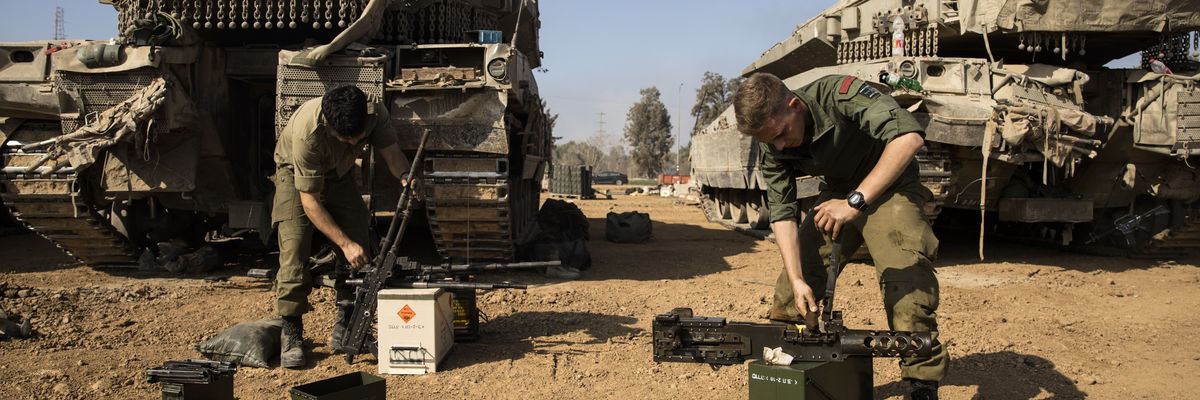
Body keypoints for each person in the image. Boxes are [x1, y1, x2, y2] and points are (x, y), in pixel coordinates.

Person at [733, 72, 948, 399]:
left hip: (891, 188)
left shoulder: (839, 94)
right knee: (792, 295)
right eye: (768, 141)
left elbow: (909, 139)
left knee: (904, 282)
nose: (777, 146)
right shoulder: (771, 139)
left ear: (794, 106)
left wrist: (856, 202)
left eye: (780, 134)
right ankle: (801, 362)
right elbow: (782, 213)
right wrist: (796, 280)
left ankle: (922, 382)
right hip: (837, 194)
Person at [271, 85, 410, 368]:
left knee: (359, 234)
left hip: (340, 174)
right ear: (329, 125)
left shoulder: (373, 112)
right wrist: (344, 245)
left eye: (356, 138)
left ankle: (347, 321)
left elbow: (391, 152)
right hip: (296, 178)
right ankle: (292, 332)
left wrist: (406, 177)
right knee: (295, 249)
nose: (351, 142)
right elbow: (310, 202)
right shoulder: (306, 135)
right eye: (344, 138)